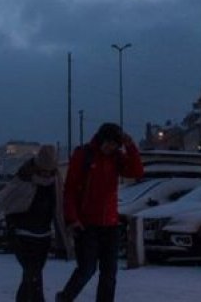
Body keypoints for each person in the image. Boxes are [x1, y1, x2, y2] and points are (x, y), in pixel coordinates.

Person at [56, 123, 144, 302]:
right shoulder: (84, 155)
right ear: (102, 139)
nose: (110, 147)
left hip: (110, 224)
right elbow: (70, 189)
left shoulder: (116, 157)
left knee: (109, 273)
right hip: (87, 224)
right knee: (87, 269)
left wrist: (130, 146)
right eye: (109, 143)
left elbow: (136, 172)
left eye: (114, 145)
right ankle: (65, 298)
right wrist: (72, 219)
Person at [0, 144, 71, 302]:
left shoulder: (55, 180)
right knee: (32, 273)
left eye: (49, 171)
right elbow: (5, 199)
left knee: (33, 273)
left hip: (43, 235)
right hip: (22, 234)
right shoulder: (24, 177)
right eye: (44, 171)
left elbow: (59, 207)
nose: (46, 174)